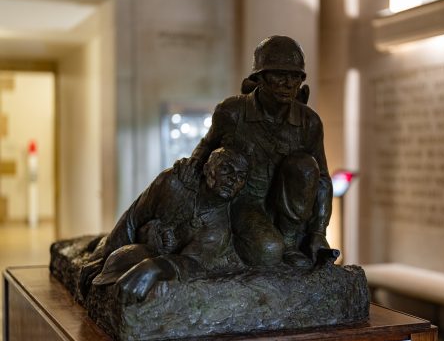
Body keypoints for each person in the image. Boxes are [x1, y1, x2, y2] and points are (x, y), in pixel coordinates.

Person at [185, 35, 334, 268]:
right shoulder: (233, 111)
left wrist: (318, 231)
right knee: (268, 251)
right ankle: (250, 250)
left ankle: (290, 244)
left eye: (295, 77)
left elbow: (322, 179)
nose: (288, 83)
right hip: (246, 202)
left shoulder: (309, 123)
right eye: (279, 75)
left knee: (305, 165)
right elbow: (205, 150)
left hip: (290, 217)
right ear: (260, 77)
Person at [79, 147, 249, 302]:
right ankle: (101, 244)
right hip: (134, 240)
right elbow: (132, 219)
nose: (232, 180)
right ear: (206, 169)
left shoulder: (218, 228)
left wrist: (154, 268)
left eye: (240, 176)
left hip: (151, 251)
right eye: (226, 169)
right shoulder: (173, 183)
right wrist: (104, 258)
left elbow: (191, 263)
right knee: (105, 255)